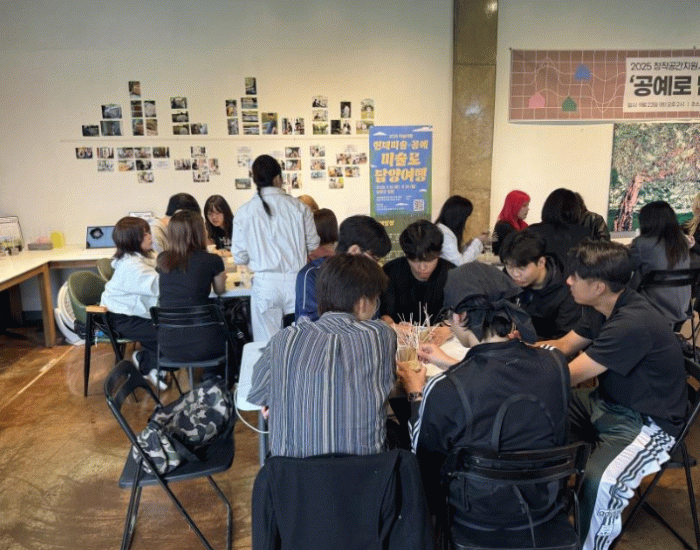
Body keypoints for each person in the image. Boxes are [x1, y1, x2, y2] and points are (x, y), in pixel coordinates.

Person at [397, 262, 570, 522]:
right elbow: (499, 377)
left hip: (477, 515)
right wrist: (449, 363)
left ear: (460, 317)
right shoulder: (554, 362)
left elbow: (424, 459)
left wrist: (415, 393)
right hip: (545, 505)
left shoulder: (444, 388)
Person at [541, 239, 686, 550]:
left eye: (575, 276)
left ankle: (586, 545)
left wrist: (510, 369)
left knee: (600, 481)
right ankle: (545, 507)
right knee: (540, 410)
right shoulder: (600, 306)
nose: (568, 281)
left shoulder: (632, 322)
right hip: (607, 404)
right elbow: (563, 346)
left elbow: (569, 375)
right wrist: (515, 351)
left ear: (598, 287)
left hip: (646, 422)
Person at [248, 253, 396, 457]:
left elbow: (259, 393)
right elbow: (388, 386)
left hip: (292, 473)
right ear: (363, 303)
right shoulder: (381, 335)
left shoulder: (284, 338)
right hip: (364, 471)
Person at [232, 154, 320, 341]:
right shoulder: (299, 207)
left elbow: (239, 257)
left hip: (265, 284)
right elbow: (313, 245)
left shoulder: (244, 212)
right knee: (300, 341)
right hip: (296, 281)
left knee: (267, 345)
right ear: (278, 178)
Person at [156, 210, 227, 373]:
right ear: (199, 232)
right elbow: (220, 290)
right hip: (206, 343)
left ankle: (209, 379)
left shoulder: (162, 260)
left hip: (168, 345)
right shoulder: (212, 260)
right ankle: (215, 379)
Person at [100, 217, 164, 389]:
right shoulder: (131, 266)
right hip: (122, 317)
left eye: (148, 232)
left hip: (132, 312)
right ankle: (145, 362)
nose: (150, 236)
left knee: (168, 329)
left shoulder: (143, 257)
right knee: (167, 332)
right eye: (145, 234)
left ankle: (150, 360)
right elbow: (159, 286)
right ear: (132, 240)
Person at [295, 215, 391, 323]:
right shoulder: (312, 274)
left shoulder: (369, 278)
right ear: (354, 251)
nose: (376, 266)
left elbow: (374, 319)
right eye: (374, 259)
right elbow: (309, 325)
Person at [499, 229, 581, 339]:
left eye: (522, 268)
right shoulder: (507, 277)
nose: (515, 274)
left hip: (547, 345)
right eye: (509, 266)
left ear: (541, 262)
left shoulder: (568, 289)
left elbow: (564, 338)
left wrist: (529, 340)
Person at [380, 220, 455, 327]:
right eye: (415, 261)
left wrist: (449, 329)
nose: (422, 267)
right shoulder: (390, 271)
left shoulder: (453, 274)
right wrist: (393, 326)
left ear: (438, 254)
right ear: (407, 255)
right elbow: (384, 315)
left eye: (429, 260)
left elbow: (461, 315)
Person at [630, 200, 691, 328]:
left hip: (653, 307)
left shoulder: (642, 243)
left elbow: (624, 266)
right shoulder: (682, 242)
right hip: (681, 308)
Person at [529, 188, 590, 270]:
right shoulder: (584, 233)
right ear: (575, 209)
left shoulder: (532, 231)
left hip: (541, 276)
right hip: (573, 277)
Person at [434, 195, 489, 265]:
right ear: (459, 218)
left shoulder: (443, 231)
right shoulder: (445, 234)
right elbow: (460, 264)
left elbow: (455, 255)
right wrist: (477, 242)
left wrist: (467, 246)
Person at [491, 190, 529, 255]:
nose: (528, 209)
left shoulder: (522, 225)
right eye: (524, 206)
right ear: (514, 206)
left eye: (527, 205)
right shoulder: (503, 226)